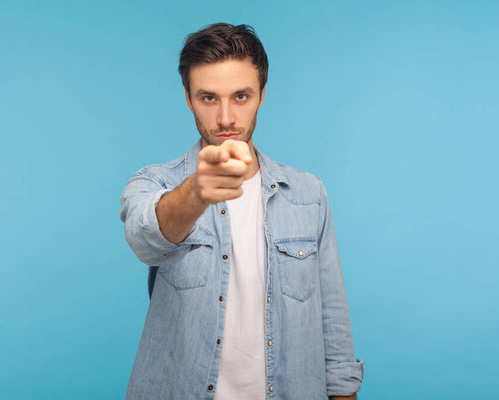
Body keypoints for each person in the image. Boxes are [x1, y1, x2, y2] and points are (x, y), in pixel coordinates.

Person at [120, 22, 364, 400]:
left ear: (262, 96)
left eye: (240, 96)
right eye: (208, 98)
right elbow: (145, 239)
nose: (226, 119)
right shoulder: (156, 183)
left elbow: (331, 316)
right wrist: (197, 193)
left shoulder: (307, 194)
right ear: (188, 98)